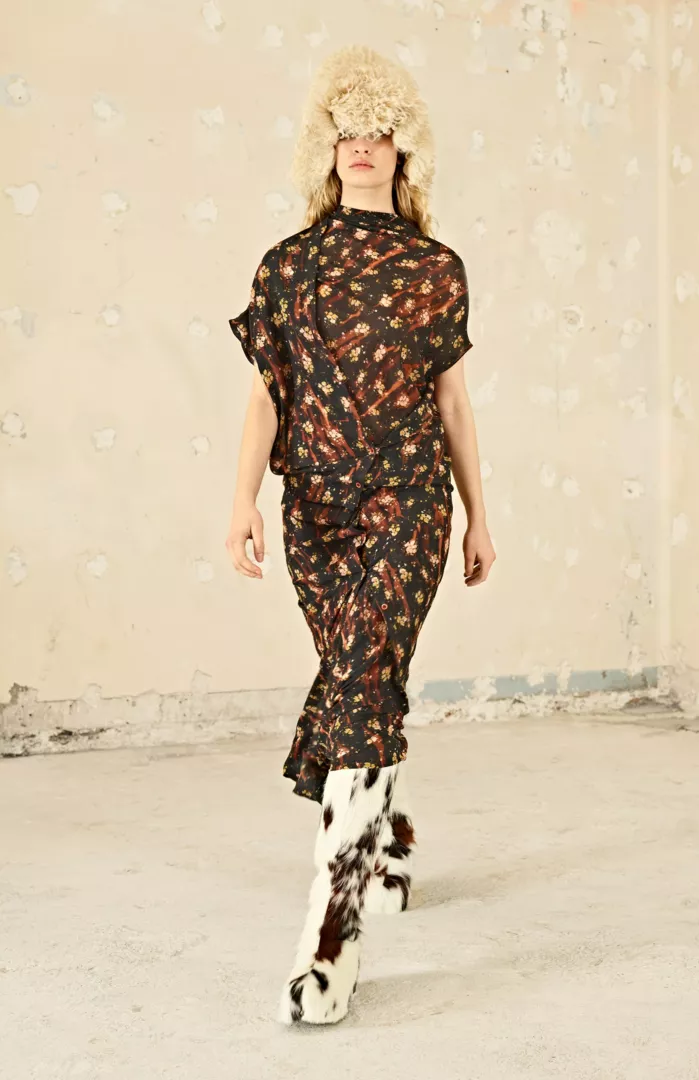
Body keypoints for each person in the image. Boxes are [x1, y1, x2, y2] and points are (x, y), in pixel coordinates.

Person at [226, 44, 495, 1025]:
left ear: (404, 147)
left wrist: (479, 513)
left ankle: (330, 939)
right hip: (317, 513)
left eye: (380, 131)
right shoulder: (288, 267)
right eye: (348, 131)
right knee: (361, 682)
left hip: (411, 503)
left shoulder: (435, 270)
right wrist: (242, 501)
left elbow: (453, 403)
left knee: (362, 675)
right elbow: (268, 398)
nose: (364, 147)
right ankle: (389, 846)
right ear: (327, 146)